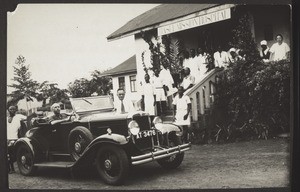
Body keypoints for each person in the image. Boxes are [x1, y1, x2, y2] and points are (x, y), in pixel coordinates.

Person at [7, 105, 27, 173]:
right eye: (10, 109)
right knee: (8, 154)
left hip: (15, 138)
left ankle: (13, 168)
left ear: (15, 110)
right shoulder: (6, 118)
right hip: (7, 138)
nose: (12, 110)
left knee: (13, 154)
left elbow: (27, 118)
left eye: (13, 109)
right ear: (8, 110)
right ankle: (10, 169)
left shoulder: (19, 116)